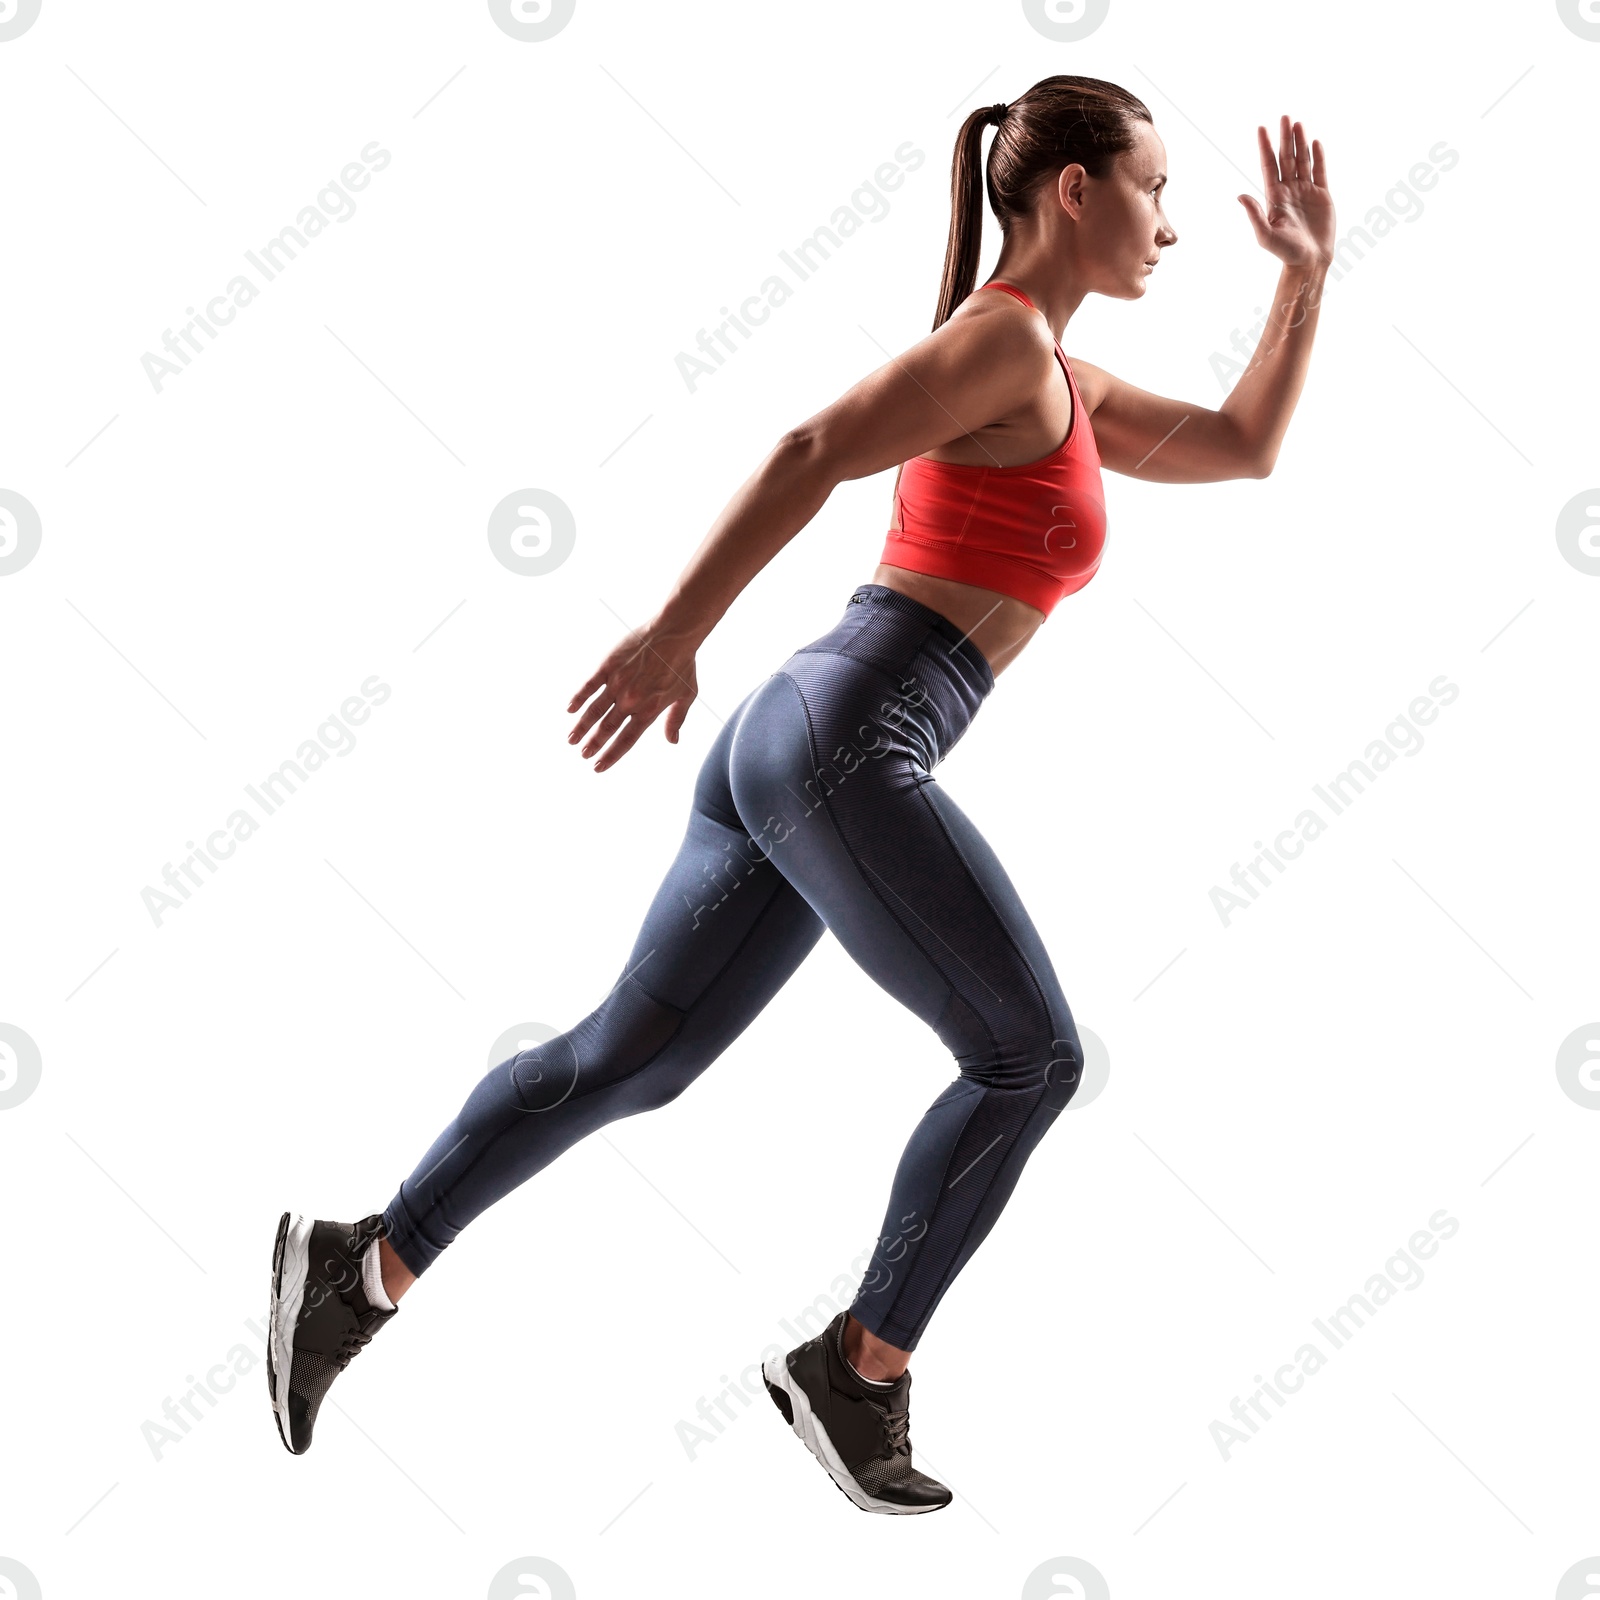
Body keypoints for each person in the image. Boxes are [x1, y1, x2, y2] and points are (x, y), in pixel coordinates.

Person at [267, 76, 1334, 1515]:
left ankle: (360, 1268)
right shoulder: (1002, 345)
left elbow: (1246, 445)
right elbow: (810, 451)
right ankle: (858, 1372)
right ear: (1073, 192)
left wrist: (1305, 282)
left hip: (815, 734)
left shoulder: (1062, 383)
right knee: (1031, 1056)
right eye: (1154, 189)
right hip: (848, 730)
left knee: (633, 1057)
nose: (1169, 225)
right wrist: (670, 633)